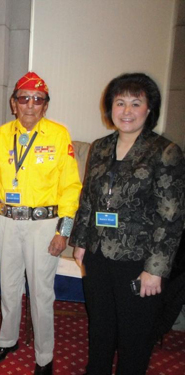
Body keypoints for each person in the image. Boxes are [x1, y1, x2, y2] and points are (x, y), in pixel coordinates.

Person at [70, 72, 185, 375]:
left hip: (138, 261)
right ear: (110, 108)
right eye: (120, 103)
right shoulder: (100, 146)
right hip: (97, 255)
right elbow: (87, 199)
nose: (127, 111)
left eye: (136, 103)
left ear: (149, 109)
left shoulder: (165, 151)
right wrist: (81, 242)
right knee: (101, 327)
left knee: (135, 335)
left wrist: (155, 270)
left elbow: (171, 216)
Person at [0, 72, 82, 374]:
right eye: (24, 98)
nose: (30, 105)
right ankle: (8, 339)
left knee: (41, 292)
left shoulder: (58, 135)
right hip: (6, 221)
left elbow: (70, 187)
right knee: (9, 287)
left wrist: (63, 231)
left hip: (43, 225)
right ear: (14, 104)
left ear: (45, 106)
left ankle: (43, 356)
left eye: (38, 100)